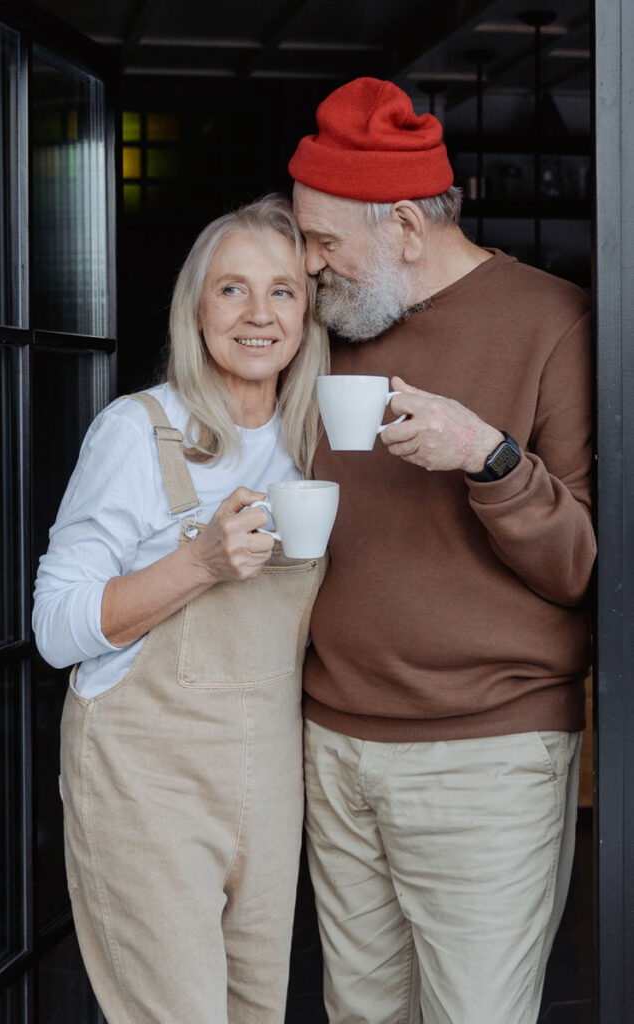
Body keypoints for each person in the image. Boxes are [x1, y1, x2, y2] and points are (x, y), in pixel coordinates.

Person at [288, 77, 596, 1024]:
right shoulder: (327, 327)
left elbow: (584, 567)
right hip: (331, 743)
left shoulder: (554, 323)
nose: (305, 265)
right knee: (361, 1013)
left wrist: (490, 459)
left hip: (487, 755)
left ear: (408, 229)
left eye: (321, 240)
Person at [32, 194, 329, 1024]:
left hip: (268, 778)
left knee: (251, 1012)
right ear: (196, 311)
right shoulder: (138, 431)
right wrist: (197, 561)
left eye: (282, 292)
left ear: (307, 316)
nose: (258, 315)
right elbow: (55, 628)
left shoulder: (315, 442)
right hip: (145, 783)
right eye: (232, 289)